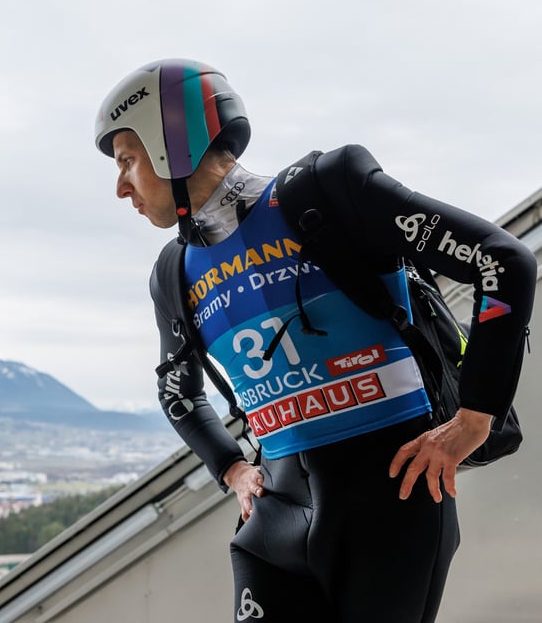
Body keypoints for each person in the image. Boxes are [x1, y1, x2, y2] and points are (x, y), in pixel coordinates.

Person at [93, 58, 536, 622]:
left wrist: (475, 420)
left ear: (170, 146)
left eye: (128, 160)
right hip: (274, 516)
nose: (120, 186)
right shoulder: (172, 272)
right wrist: (230, 467)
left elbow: (501, 261)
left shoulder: (328, 190)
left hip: (393, 505)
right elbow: (176, 390)